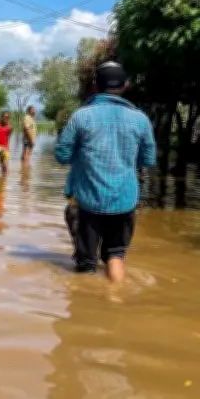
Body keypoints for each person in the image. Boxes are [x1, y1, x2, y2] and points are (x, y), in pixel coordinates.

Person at [54, 61, 156, 282]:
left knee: (86, 263)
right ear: (126, 85)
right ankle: (115, 300)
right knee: (116, 255)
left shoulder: (81, 116)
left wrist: (83, 158)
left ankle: (89, 307)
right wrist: (125, 161)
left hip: (87, 201)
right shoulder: (140, 119)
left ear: (94, 85)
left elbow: (61, 155)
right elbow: (148, 160)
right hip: (124, 201)